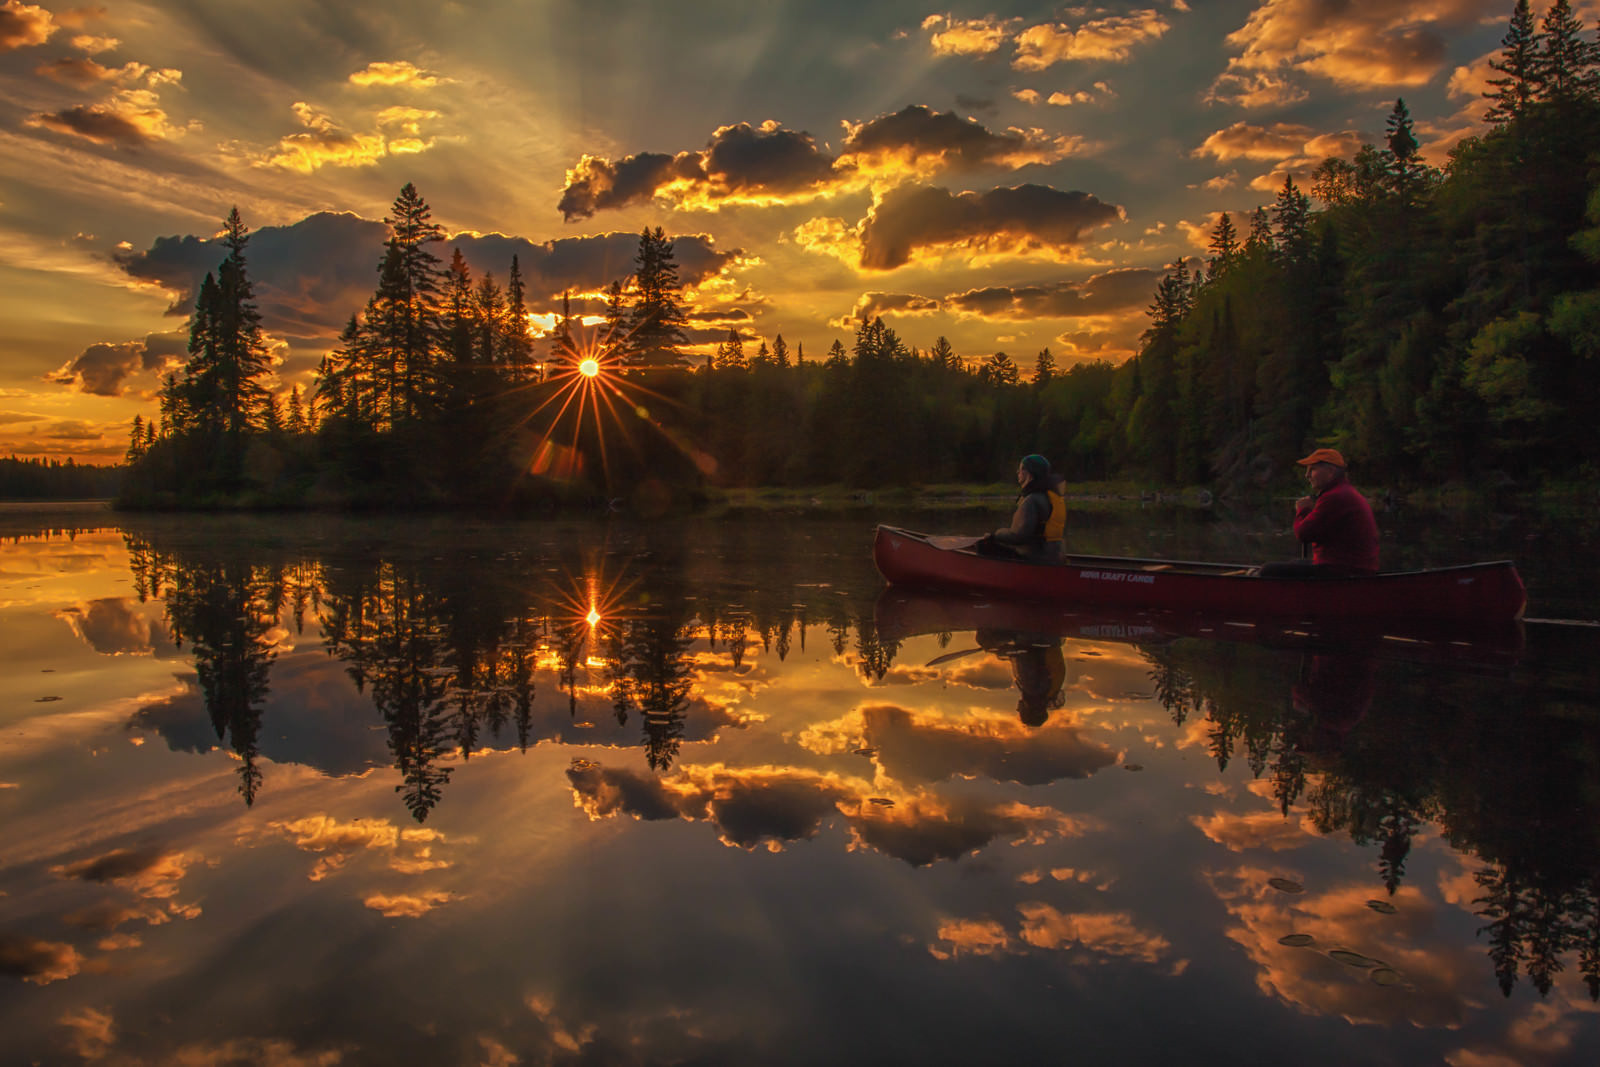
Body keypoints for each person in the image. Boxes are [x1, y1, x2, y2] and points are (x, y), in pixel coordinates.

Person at [1259, 448, 1379, 577]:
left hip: (1345, 571)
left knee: (1268, 571)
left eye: (1313, 469)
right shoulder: (1344, 492)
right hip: (1354, 568)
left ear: (1330, 471)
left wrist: (1303, 510)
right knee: (1296, 563)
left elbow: (1304, 534)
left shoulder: (1335, 496)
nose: (1307, 475)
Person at [975, 454, 1063, 562]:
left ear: (1029, 473)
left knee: (982, 546)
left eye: (1021, 469)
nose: (1017, 472)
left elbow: (1019, 536)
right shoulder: (1050, 497)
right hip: (1052, 557)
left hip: (1034, 558)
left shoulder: (1031, 500)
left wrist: (996, 535)